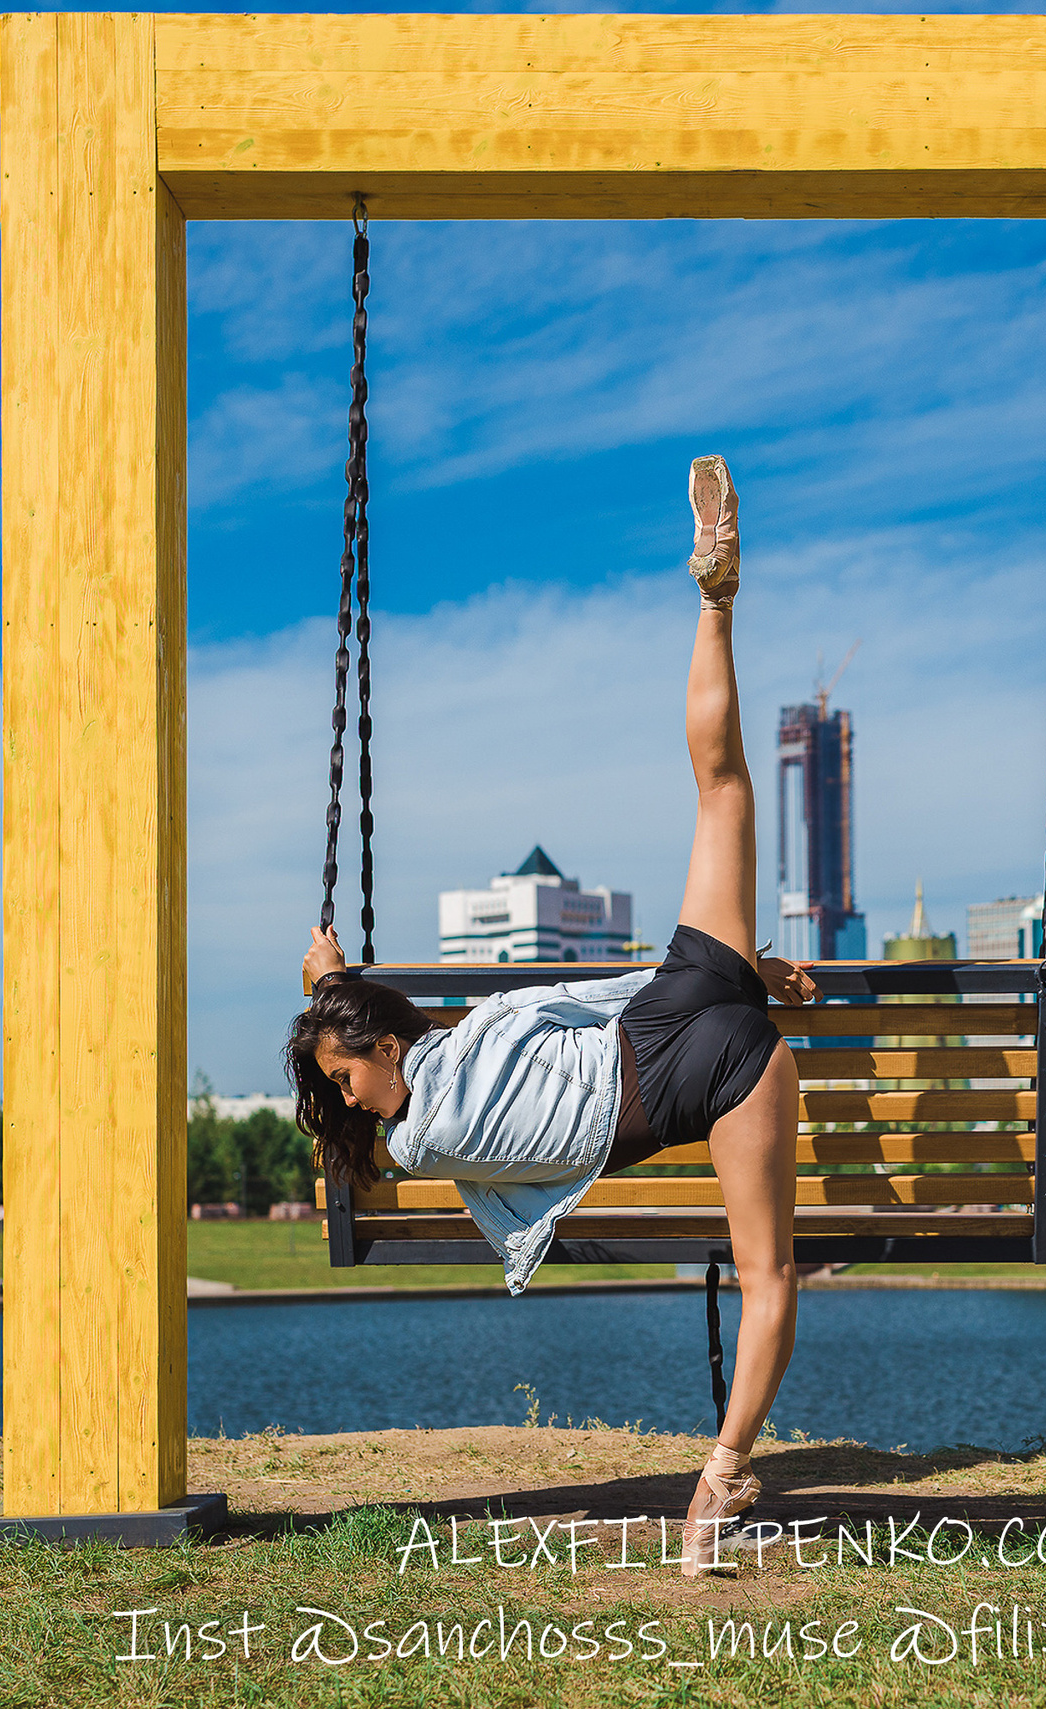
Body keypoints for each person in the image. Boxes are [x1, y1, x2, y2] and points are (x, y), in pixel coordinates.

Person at [287, 455, 816, 1575]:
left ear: (383, 1047)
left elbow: (381, 1102)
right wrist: (326, 996)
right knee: (721, 786)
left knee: (769, 1278)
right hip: (675, 997)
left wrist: (319, 998)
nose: (351, 1102)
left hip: (699, 1070)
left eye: (345, 1078)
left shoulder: (424, 1123)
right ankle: (714, 605)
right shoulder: (450, 1059)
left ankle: (714, 1487)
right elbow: (451, 1033)